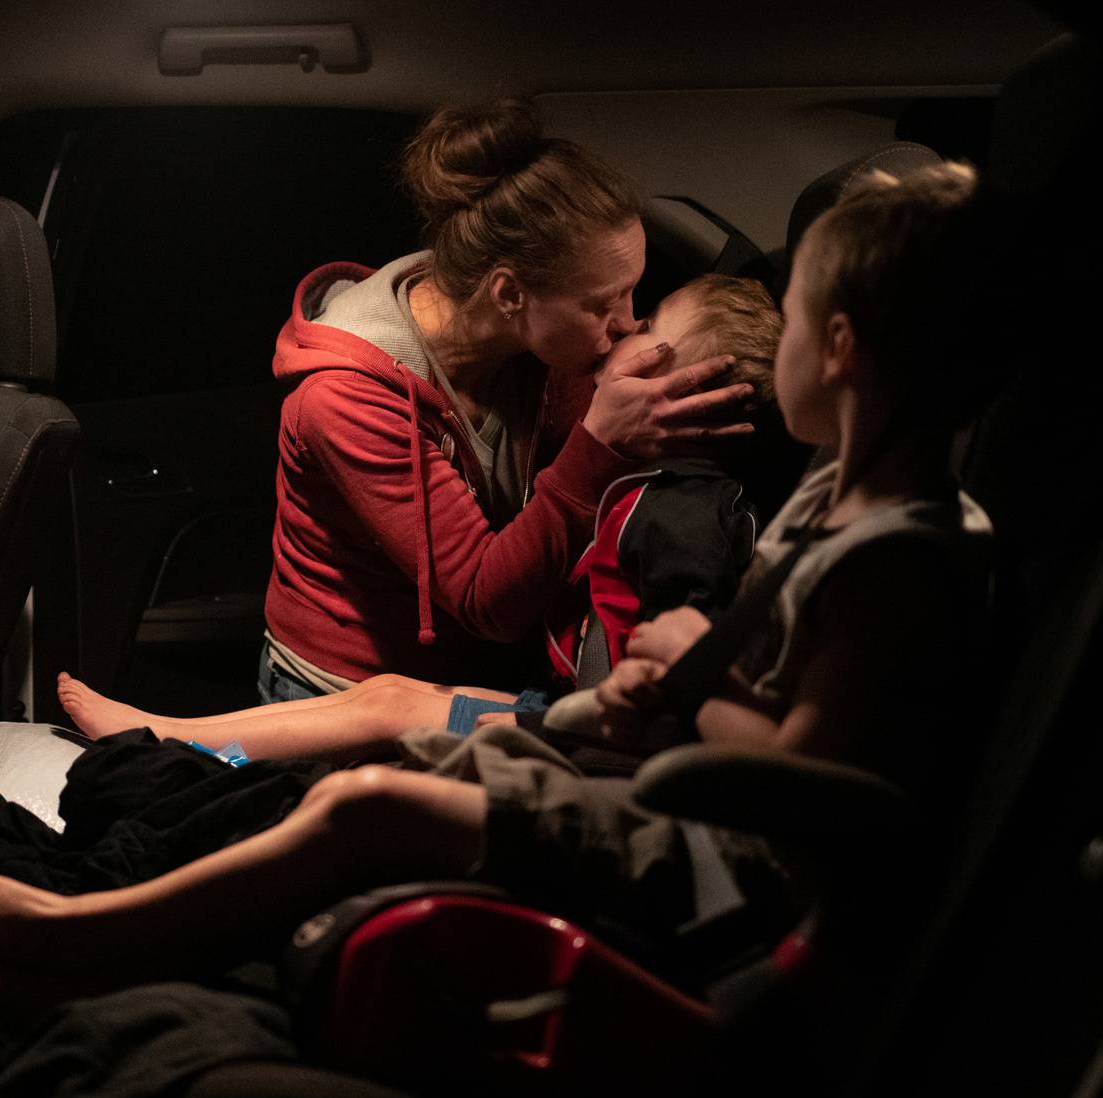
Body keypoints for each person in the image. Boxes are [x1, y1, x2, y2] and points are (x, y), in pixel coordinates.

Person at [0, 161, 1004, 993]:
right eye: (612, 303)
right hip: (652, 759)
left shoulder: (896, 556)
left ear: (845, 348)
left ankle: (66, 935)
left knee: (365, 803)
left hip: (706, 848)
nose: (628, 328)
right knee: (381, 762)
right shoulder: (828, 500)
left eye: (795, 318)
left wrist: (689, 678)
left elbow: (805, 783)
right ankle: (155, 793)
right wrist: (666, 688)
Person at [54, 273, 790, 761]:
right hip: (574, 711)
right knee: (385, 693)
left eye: (648, 322)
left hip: (600, 736)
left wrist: (603, 713)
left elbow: (678, 670)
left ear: (684, 388)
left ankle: (163, 739)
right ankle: (167, 732)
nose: (624, 326)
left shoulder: (680, 514)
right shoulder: (637, 476)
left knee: (388, 707)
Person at [258, 97, 756, 703]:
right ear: (509, 294)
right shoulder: (344, 398)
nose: (626, 324)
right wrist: (599, 445)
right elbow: (485, 599)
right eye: (602, 304)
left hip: (465, 681)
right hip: (340, 690)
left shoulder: (548, 346)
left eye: (633, 295)